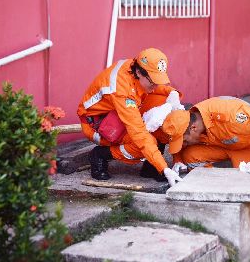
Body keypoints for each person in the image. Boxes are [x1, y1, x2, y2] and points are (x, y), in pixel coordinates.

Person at [77, 48, 182, 186]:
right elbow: (139, 133)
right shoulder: (122, 92)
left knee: (165, 107)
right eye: (153, 82)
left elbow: (155, 88)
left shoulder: (136, 68)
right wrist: (164, 168)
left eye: (159, 81)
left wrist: (172, 92)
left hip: (116, 113)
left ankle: (150, 167)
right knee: (142, 144)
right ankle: (100, 154)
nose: (156, 85)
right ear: (139, 72)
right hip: (99, 124)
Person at [161, 96, 250, 171]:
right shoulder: (189, 119)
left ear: (193, 128)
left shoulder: (232, 116)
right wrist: (177, 161)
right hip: (222, 146)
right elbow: (179, 140)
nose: (184, 144)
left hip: (249, 147)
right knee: (190, 155)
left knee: (249, 182)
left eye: (185, 141)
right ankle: (213, 182)